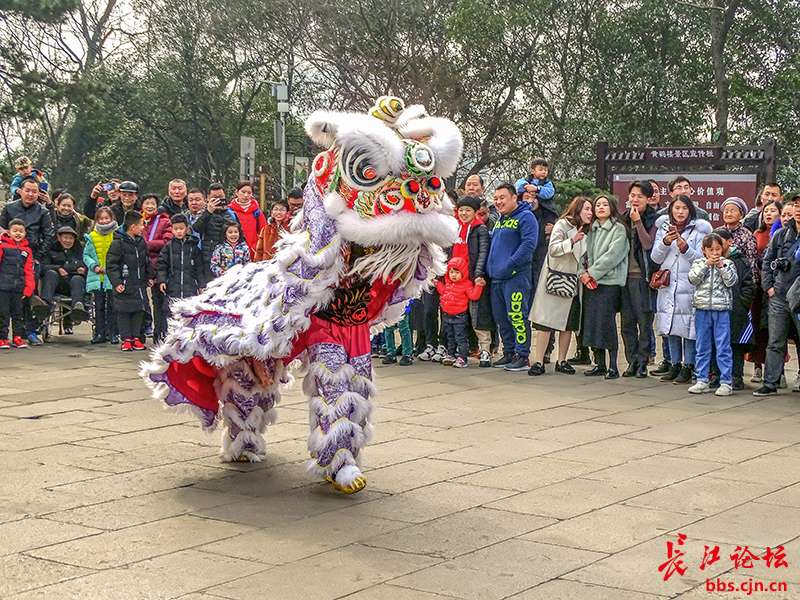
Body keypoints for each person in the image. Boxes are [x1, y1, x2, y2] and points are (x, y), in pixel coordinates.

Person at [651, 196, 713, 384]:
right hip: (669, 283)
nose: (680, 212)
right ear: (671, 209)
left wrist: (686, 248)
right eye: (677, 208)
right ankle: (674, 364)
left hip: (689, 283)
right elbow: (655, 258)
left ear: (690, 210)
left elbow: (703, 259)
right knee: (670, 325)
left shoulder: (699, 230)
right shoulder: (663, 228)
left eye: (684, 208)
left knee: (689, 326)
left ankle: (689, 366)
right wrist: (665, 242)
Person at [528, 196, 592, 376]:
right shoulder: (563, 225)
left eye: (591, 210)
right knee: (545, 323)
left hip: (574, 283)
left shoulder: (589, 230)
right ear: (577, 209)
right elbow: (553, 249)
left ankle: (562, 360)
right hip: (555, 280)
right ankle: (538, 361)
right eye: (587, 209)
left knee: (568, 324)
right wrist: (572, 240)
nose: (590, 213)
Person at [486, 182, 538, 371]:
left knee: (517, 316)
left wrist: (510, 265)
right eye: (496, 198)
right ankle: (508, 352)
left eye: (502, 198)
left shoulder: (526, 217)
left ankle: (522, 356)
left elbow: (528, 245)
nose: (498, 202)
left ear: (514, 197)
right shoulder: (500, 219)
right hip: (496, 279)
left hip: (516, 278)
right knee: (501, 318)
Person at [0, 176, 55, 345]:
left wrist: (37, 256)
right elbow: (1, 229)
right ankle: (4, 335)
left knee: (30, 290)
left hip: (33, 256)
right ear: (21, 191)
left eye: (34, 191)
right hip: (9, 256)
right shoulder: (9, 208)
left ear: (39, 193)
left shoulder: (43, 212)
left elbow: (49, 235)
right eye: (27, 190)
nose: (31, 194)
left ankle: (30, 330)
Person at [754, 195, 800, 396]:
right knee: (775, 341)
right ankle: (770, 382)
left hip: (799, 296)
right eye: (796, 205)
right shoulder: (781, 234)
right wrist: (769, 287)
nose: (798, 209)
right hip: (779, 295)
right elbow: (767, 261)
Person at [580, 195, 629, 379]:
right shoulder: (591, 229)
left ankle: (613, 366)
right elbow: (583, 254)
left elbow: (612, 256)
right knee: (592, 323)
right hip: (591, 282)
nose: (600, 207)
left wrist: (592, 273)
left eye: (605, 204)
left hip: (610, 283)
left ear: (612, 208)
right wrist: (582, 273)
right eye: (597, 205)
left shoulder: (618, 229)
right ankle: (599, 364)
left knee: (607, 324)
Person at [687, 233, 738, 396]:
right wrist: (706, 265)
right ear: (704, 250)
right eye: (711, 250)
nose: (715, 253)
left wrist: (721, 267)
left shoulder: (728, 263)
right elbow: (693, 279)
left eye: (717, 249)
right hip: (702, 309)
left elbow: (731, 281)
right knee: (702, 345)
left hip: (721, 309)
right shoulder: (698, 263)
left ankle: (726, 382)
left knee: (723, 346)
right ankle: (702, 379)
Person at [448, 195, 493, 366]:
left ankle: (485, 350)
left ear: (475, 212)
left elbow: (483, 253)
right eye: (461, 210)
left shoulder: (480, 229)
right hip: (456, 281)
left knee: (477, 316)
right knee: (457, 318)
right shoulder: (455, 228)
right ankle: (457, 352)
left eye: (467, 210)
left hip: (473, 280)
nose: (464, 213)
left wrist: (478, 274)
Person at [620, 181, 658, 378]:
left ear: (648, 199)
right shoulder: (622, 218)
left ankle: (643, 362)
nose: (635, 200)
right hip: (623, 278)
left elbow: (648, 244)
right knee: (627, 323)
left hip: (643, 278)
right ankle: (631, 361)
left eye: (640, 196)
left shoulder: (654, 219)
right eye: (632, 195)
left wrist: (637, 222)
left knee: (644, 322)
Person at [712, 227, 755, 390]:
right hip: (716, 307)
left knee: (736, 344)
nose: (717, 246)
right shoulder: (709, 260)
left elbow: (749, 284)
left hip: (736, 308)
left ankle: (736, 376)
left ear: (729, 242)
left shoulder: (740, 260)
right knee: (717, 342)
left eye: (720, 242)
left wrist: (742, 302)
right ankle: (717, 375)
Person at [107, 211, 153, 352]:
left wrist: (149, 276)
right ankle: (126, 339)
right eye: (141, 225)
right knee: (124, 312)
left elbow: (146, 261)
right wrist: (117, 283)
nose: (143, 228)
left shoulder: (141, 242)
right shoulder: (118, 243)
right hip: (124, 285)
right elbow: (111, 265)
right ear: (133, 227)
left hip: (139, 285)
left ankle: (136, 338)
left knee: (139, 311)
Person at [748, 199, 782, 382]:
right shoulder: (757, 233)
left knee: (776, 330)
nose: (769, 214)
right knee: (757, 327)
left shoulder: (783, 233)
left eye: (773, 211)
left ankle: (778, 371)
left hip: (777, 288)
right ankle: (757, 366)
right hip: (758, 288)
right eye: (766, 211)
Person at [436, 256, 485, 368]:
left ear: (463, 272)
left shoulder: (466, 284)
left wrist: (478, 286)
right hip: (447, 315)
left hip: (459, 317)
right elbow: (443, 291)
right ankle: (451, 354)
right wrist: (437, 283)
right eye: (451, 272)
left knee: (461, 338)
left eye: (457, 272)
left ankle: (463, 358)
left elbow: (474, 296)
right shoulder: (448, 284)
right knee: (450, 337)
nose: (453, 275)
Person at [36, 226, 90, 327]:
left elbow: (87, 265)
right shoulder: (52, 250)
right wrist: (58, 268)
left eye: (71, 238)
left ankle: (78, 307)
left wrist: (84, 270)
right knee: (51, 273)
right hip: (56, 284)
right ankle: (45, 304)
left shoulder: (80, 251)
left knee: (77, 279)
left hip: (75, 285)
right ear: (59, 238)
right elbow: (43, 266)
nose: (68, 241)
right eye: (65, 237)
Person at [157, 214, 205, 325]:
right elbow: (162, 265)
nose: (179, 231)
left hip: (190, 287)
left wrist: (201, 285)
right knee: (173, 315)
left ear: (187, 229)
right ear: (172, 230)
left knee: (190, 315)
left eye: (181, 228)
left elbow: (199, 268)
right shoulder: (168, 247)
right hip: (173, 287)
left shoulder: (193, 247)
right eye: (176, 229)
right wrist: (162, 280)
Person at [83, 207, 119, 344]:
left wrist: (111, 267)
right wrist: (94, 266)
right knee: (98, 306)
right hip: (97, 277)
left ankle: (113, 333)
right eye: (101, 218)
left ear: (112, 218)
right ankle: (99, 333)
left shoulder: (117, 235)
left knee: (113, 306)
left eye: (106, 218)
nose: (104, 221)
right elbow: (86, 255)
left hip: (112, 277)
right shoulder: (92, 236)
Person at [141, 195, 173, 343]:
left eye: (152, 203)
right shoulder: (139, 221)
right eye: (146, 203)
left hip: (159, 266)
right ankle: (149, 332)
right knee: (147, 301)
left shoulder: (164, 221)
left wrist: (148, 245)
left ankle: (162, 333)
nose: (149, 206)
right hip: (142, 265)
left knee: (161, 301)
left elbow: (167, 241)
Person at [0, 219, 35, 349]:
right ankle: (2, 338)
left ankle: (17, 337)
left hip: (18, 288)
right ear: (9, 232)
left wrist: (28, 288)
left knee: (18, 314)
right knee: (3, 314)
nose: (18, 233)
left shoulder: (27, 250)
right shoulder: (2, 246)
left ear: (25, 233)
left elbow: (29, 271)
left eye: (21, 231)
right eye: (15, 231)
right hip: (3, 287)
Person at [192, 183, 228, 280]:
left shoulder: (231, 213)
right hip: (209, 257)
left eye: (220, 197)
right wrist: (209, 212)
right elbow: (196, 228)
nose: (218, 200)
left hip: (227, 256)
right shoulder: (203, 212)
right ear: (208, 198)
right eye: (214, 197)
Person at [720, 196, 757, 276]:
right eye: (726, 211)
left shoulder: (747, 235)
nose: (729, 214)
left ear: (741, 215)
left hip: (740, 275)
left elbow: (751, 261)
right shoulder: (717, 232)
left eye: (732, 211)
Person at [227, 182, 266, 258]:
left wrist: (257, 247)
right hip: (233, 252)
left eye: (249, 193)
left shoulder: (256, 211)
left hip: (253, 252)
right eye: (243, 192)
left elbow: (264, 232)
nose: (246, 195)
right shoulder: (229, 211)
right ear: (236, 192)